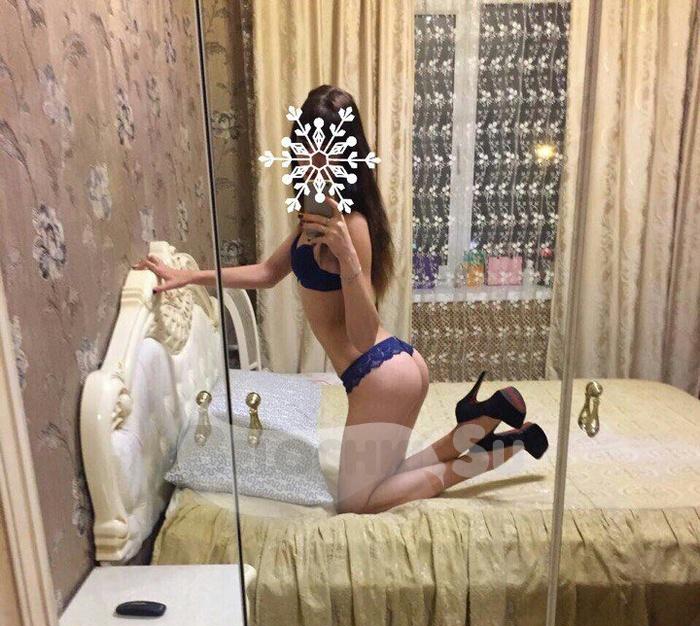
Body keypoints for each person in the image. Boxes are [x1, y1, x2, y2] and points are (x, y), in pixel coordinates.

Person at [135, 85, 548, 514]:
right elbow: (268, 273)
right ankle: (482, 424)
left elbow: (363, 334)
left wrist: (348, 257)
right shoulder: (312, 220)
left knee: (358, 504)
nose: (314, 159)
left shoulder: (352, 225)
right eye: (306, 147)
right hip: (393, 369)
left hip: (377, 374)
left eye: (328, 149)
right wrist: (191, 276)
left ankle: (486, 457)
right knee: (387, 478)